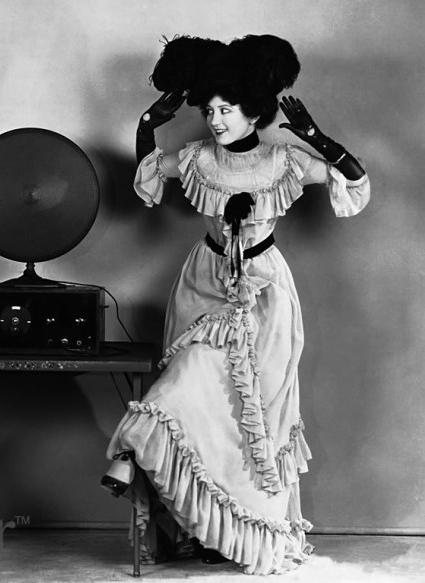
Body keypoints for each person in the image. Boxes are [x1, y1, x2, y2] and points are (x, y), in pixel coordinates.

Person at [101, 35, 369, 575]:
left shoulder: (283, 160)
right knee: (190, 381)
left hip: (263, 291)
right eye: (209, 110)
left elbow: (353, 180)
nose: (215, 119)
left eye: (226, 110)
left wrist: (316, 136)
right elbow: (149, 176)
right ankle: (136, 457)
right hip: (204, 283)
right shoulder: (198, 158)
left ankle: (241, 536)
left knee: (252, 419)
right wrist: (147, 121)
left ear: (254, 114)